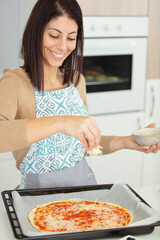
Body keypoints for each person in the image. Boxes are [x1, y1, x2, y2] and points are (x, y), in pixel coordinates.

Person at [0, 0, 160, 189]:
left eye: (71, 38)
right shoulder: (15, 83)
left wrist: (126, 141)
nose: (62, 46)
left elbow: (83, 147)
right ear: (36, 32)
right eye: (54, 35)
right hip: (37, 203)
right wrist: (61, 122)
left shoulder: (76, 81)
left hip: (83, 198)